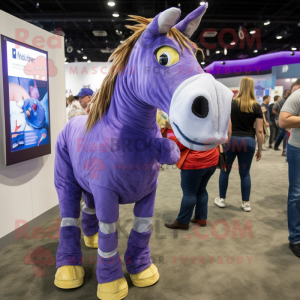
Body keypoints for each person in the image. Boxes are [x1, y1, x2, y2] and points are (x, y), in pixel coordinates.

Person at [165, 121, 232, 229]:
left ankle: (182, 221)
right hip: (212, 159)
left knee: (189, 193)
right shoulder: (213, 120)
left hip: (195, 162)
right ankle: (201, 218)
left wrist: (170, 130)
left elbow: (179, 145)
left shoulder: (190, 122)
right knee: (201, 189)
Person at [215, 77, 263, 212]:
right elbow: (259, 131)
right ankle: (245, 203)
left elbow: (226, 126)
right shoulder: (257, 106)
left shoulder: (231, 103)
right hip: (248, 142)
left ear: (240, 87)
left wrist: (223, 142)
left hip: (230, 141)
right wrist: (260, 149)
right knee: (245, 173)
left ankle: (222, 199)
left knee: (224, 170)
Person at [279, 80, 300, 258]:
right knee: (297, 193)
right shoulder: (297, 96)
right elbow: (283, 121)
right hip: (298, 149)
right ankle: (296, 238)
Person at [273, 89, 292, 156]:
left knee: (282, 134)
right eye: (288, 93)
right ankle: (284, 151)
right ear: (285, 93)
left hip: (287, 120)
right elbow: (273, 109)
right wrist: (280, 116)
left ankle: (276, 146)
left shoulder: (290, 99)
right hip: (283, 120)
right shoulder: (281, 100)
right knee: (285, 134)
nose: (289, 93)